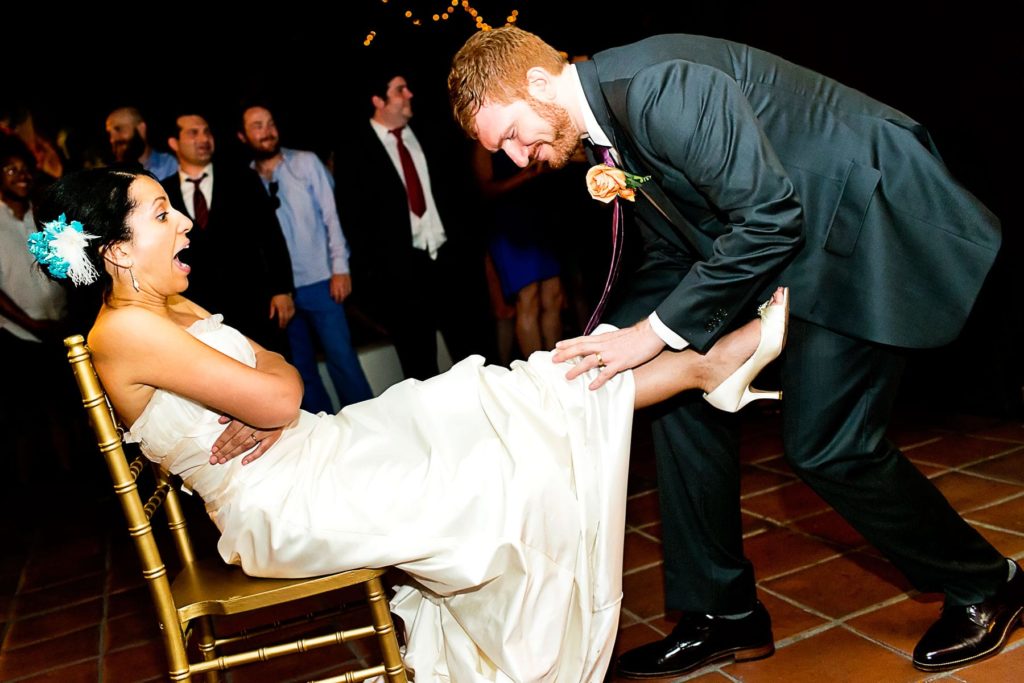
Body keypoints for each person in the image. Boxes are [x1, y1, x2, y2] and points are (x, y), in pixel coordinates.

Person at [30, 167, 786, 682]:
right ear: (119, 250)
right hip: (284, 503)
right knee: (493, 460)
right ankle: (701, 367)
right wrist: (264, 399)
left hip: (311, 452)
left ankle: (698, 368)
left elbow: (284, 383)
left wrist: (265, 398)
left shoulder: (163, 307)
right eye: (162, 215)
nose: (186, 221)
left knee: (491, 397)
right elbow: (281, 394)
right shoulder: (126, 333)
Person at [448, 26, 1020, 677]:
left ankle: (989, 582)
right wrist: (613, 339)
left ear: (539, 83)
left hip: (859, 221)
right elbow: (670, 248)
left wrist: (651, 334)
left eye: (514, 135)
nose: (520, 158)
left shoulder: (657, 88)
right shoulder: (608, 125)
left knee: (826, 441)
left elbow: (769, 215)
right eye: (504, 150)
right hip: (795, 241)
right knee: (675, 404)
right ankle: (723, 612)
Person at [338, 65, 494, 381]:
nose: (409, 95)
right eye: (399, 89)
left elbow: (462, 193)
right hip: (402, 277)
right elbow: (355, 221)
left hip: (451, 262)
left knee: (477, 356)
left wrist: (470, 248)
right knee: (419, 368)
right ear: (378, 101)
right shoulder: (354, 153)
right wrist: (376, 277)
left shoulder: (432, 133)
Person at [162, 110, 295, 354]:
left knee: (275, 370)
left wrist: (281, 289)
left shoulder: (242, 177)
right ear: (173, 143)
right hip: (201, 313)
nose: (203, 139)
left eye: (207, 132)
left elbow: (271, 234)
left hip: (255, 303)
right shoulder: (163, 194)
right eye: (193, 133)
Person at [471, 142, 566, 358]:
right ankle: (537, 370)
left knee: (554, 295)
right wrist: (526, 176)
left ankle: (557, 364)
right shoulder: (485, 144)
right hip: (510, 224)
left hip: (539, 217)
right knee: (528, 298)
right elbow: (485, 189)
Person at [105, 106, 179, 180]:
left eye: (119, 129)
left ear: (141, 128)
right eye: (109, 133)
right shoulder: (110, 174)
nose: (112, 139)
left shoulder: (168, 164)